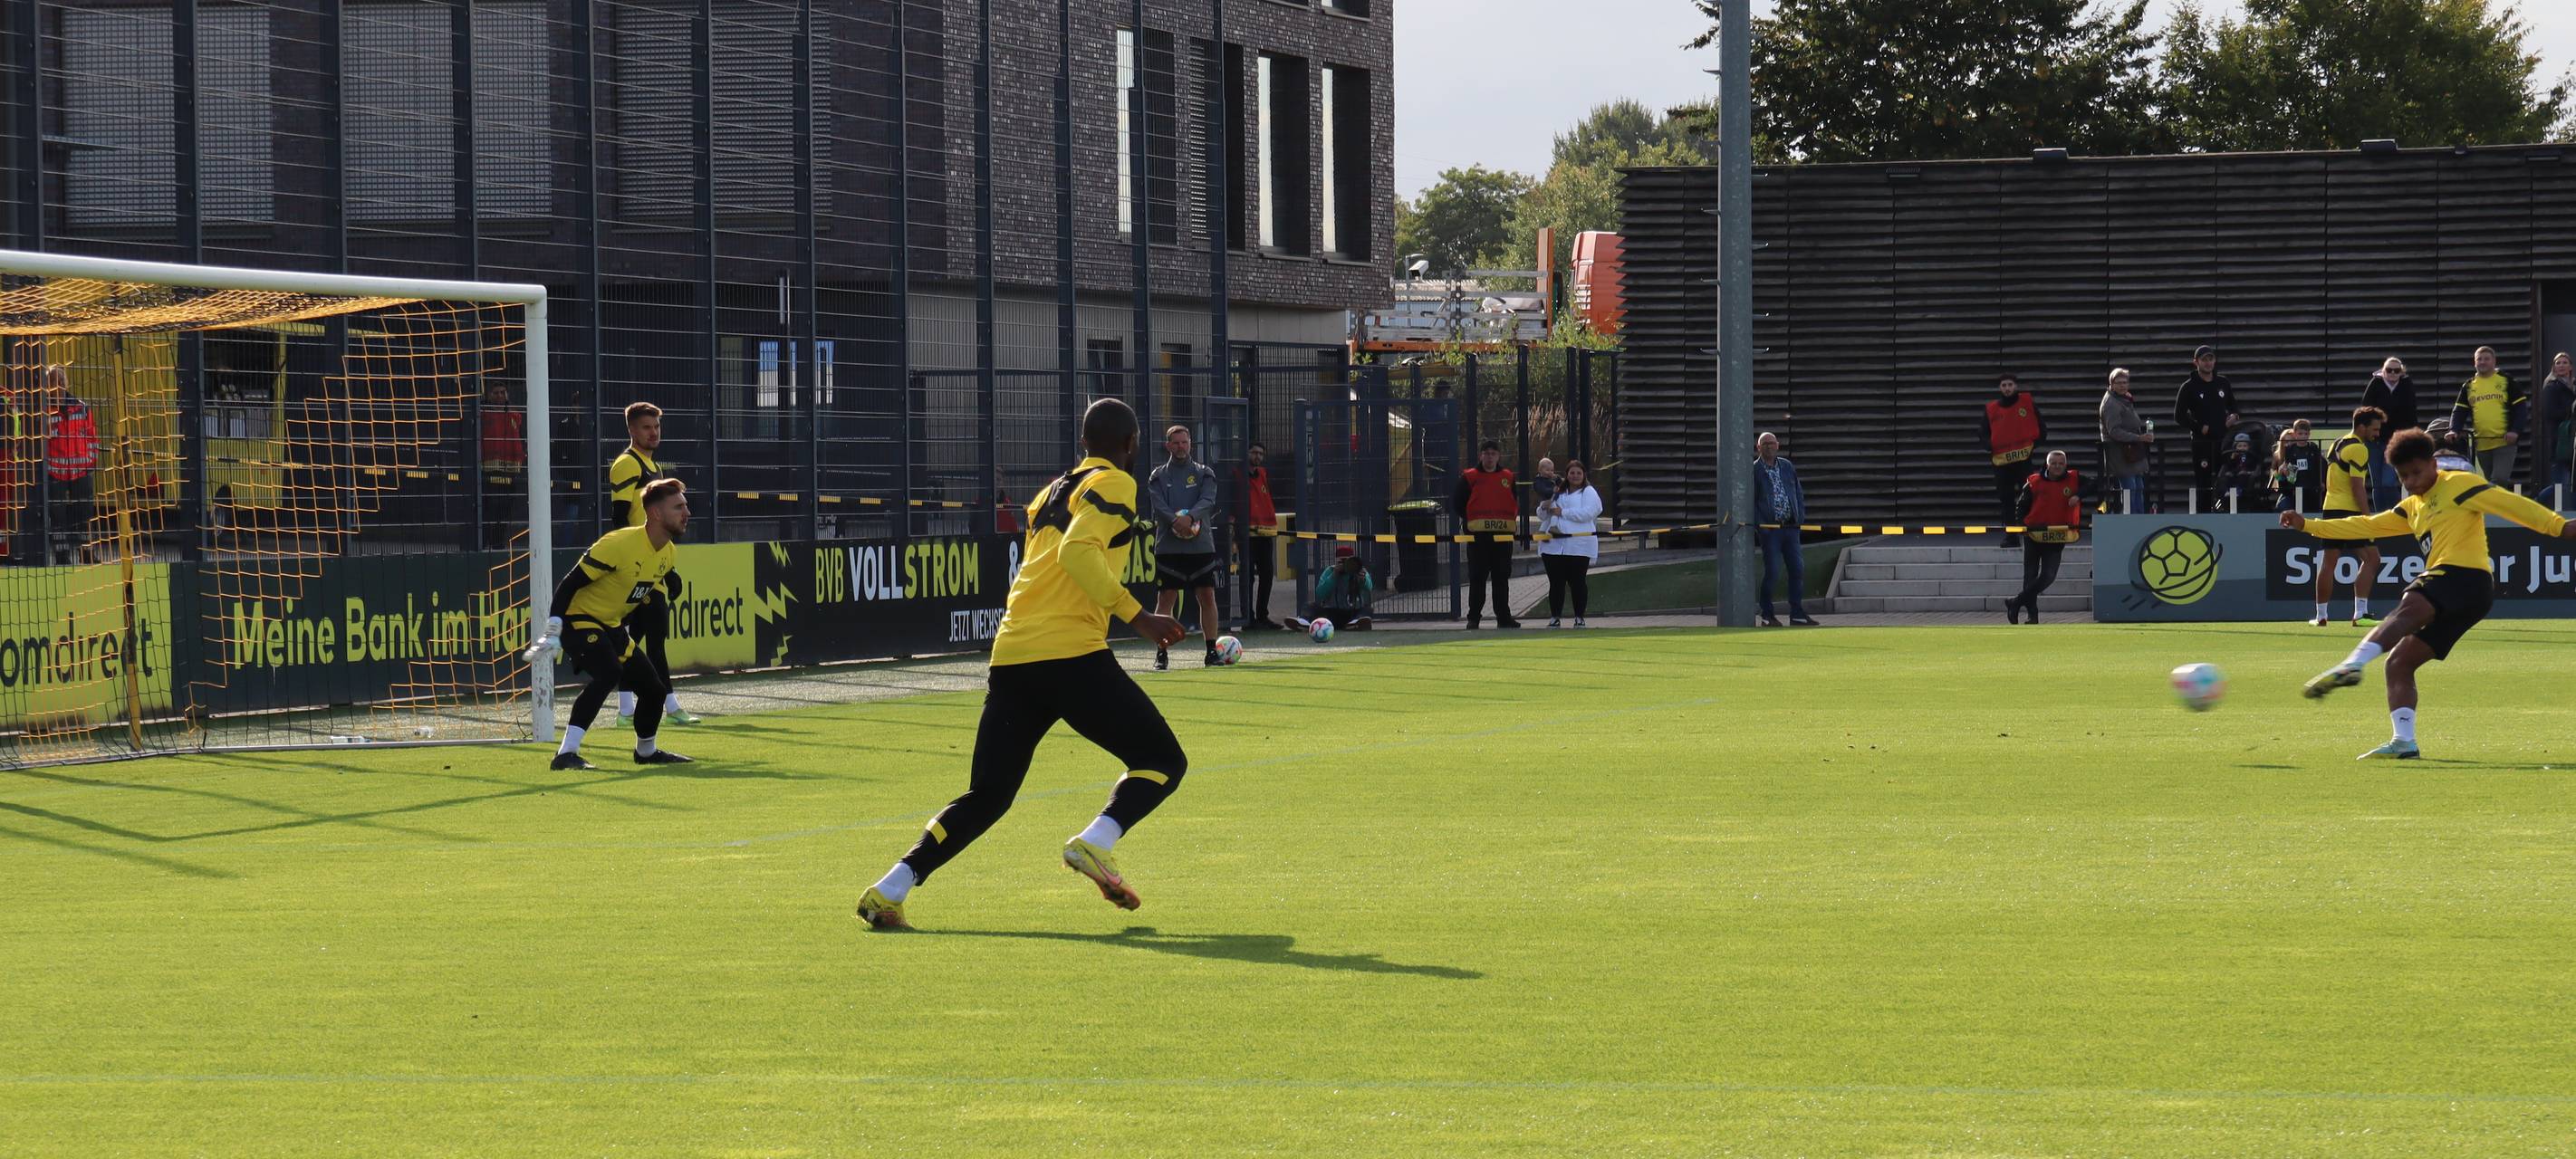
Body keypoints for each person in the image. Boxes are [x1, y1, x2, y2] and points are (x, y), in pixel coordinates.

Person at [855, 398, 1190, 932]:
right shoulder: (1117, 484)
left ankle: (890, 889)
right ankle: (1096, 843)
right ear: (1130, 446)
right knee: (1162, 762)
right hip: (1070, 653)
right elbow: (1076, 554)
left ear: (1084, 442)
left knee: (987, 795)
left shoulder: (1050, 491)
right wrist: (1137, 615)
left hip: (1013, 654)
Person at [2288, 427, 2576, 759]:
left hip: (2464, 576)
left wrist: (2559, 527)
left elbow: (2510, 504)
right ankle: (2404, 741)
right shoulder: (2412, 506)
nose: (2411, 480)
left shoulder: (2459, 485)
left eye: (2416, 472)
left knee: (2408, 606)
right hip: (2467, 597)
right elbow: (2365, 526)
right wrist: (2308, 526)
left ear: (2433, 464)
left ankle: (2352, 664)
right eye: (2403, 475)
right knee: (2398, 663)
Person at [525, 477, 697, 771]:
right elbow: (568, 585)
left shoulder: (668, 554)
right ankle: (566, 754)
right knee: (609, 672)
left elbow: (631, 595)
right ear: (656, 514)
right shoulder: (618, 544)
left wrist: (671, 579)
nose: (687, 512)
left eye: (686, 505)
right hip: (578, 619)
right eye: (679, 506)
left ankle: (646, 752)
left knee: (654, 689)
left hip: (610, 626)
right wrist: (554, 630)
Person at [607, 402, 698, 727]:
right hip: (635, 565)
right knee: (649, 636)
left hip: (652, 563)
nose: (653, 432)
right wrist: (623, 562)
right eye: (647, 427)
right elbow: (619, 518)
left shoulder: (653, 468)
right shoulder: (626, 465)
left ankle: (627, 709)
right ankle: (664, 706)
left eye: (657, 427)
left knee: (641, 638)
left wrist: (667, 567)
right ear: (632, 430)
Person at [1145, 425, 1223, 669]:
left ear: (1191, 444)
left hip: (1200, 546)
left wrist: (1190, 519)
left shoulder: (1204, 473)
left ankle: (1211, 652)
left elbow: (1208, 500)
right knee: (1166, 598)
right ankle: (1162, 653)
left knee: (1207, 596)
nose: (1181, 447)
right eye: (1176, 443)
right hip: (1169, 547)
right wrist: (1176, 522)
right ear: (1168, 445)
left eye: (1185, 442)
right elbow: (1158, 506)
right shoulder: (1158, 476)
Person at [2313, 407, 2385, 627]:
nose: (2377, 434)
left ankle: (2321, 616)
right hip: (2351, 511)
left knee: (2328, 563)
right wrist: (2367, 517)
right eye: (2374, 429)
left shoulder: (2337, 443)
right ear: (2361, 427)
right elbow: (2357, 487)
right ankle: (2360, 613)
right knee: (2372, 559)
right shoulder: (2360, 449)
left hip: (2331, 508)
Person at [2005, 450, 2087, 624]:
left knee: (2048, 576)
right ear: (2047, 464)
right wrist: (2022, 527)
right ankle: (2032, 616)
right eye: (2054, 463)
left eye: (2061, 463)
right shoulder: (2034, 482)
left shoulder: (2074, 478)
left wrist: (2078, 495)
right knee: (2030, 575)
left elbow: (2095, 484)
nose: (2057, 466)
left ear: (2066, 464)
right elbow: (2021, 506)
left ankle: (2016, 601)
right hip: (2034, 534)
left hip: (2056, 535)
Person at [1452, 440, 1520, 629]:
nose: (1490, 457)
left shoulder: (1508, 477)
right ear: (1481, 455)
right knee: (1477, 578)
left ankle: (1503, 618)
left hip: (1502, 536)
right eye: (1486, 453)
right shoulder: (1469, 477)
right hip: (1478, 537)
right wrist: (1470, 520)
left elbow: (1513, 501)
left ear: (1498, 456)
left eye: (1493, 453)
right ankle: (1473, 618)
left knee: (1501, 577)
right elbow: (1458, 502)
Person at [1753, 432, 1817, 627]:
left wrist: (1799, 518)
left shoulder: (1786, 466)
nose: (1769, 447)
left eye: (1772, 443)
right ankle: (1767, 614)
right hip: (1770, 530)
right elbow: (1752, 501)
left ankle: (1797, 613)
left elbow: (1797, 492)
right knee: (1773, 572)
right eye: (1765, 444)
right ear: (1758, 448)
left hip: (1791, 527)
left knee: (1797, 569)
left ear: (1778, 445)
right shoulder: (1754, 470)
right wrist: (1761, 526)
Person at [41, 367, 101, 565]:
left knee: (84, 515)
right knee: (57, 518)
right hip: (55, 471)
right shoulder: (43, 410)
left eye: (59, 382)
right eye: (51, 382)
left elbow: (92, 437)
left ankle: (86, 552)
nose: (56, 386)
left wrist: (91, 461)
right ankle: (62, 556)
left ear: (65, 384)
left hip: (80, 471)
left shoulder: (81, 407)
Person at [1980, 373, 2045, 546]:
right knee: (2006, 500)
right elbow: (1983, 434)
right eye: (2004, 385)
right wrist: (1991, 446)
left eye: (2010, 385)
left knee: (2030, 498)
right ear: (1999, 388)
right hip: (2001, 464)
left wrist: (2033, 446)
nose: (2007, 388)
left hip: (2023, 461)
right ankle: (2011, 536)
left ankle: (2031, 535)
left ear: (2015, 386)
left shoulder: (2027, 404)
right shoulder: (1992, 410)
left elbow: (2041, 427)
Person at [2447, 345, 2526, 484]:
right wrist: (2454, 429)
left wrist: (2515, 431)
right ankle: (2498, 506)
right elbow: (2459, 411)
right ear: (2475, 362)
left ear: (2494, 361)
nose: (2483, 362)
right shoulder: (2469, 386)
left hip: (2505, 442)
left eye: (2486, 359)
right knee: (2490, 483)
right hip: (2482, 444)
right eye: (2479, 359)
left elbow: (2521, 409)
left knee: (2499, 479)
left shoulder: (2507, 381)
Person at [2173, 345, 2238, 511]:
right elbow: (2179, 416)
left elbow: (2234, 407)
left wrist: (2234, 416)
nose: (2208, 363)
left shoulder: (2223, 382)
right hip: (2202, 443)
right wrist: (2199, 427)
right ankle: (2203, 517)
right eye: (2204, 360)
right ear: (2196, 362)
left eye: (2211, 359)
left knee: (2225, 478)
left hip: (2223, 440)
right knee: (2204, 482)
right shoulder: (2188, 386)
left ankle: (2226, 513)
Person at [1538, 459, 1601, 627]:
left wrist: (1563, 512)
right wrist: (1544, 507)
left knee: (1577, 582)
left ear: (1584, 475)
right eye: (1571, 473)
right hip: (1553, 547)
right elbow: (1543, 514)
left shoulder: (1588, 492)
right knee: (1556, 583)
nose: (1575, 476)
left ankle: (1579, 617)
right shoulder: (1558, 491)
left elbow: (1588, 513)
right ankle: (1555, 617)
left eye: (1578, 473)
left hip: (1579, 546)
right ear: (1566, 474)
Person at [2360, 357, 2418, 509]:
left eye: (2396, 370)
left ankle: (2396, 513)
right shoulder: (2375, 384)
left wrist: (2409, 437)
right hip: (2374, 440)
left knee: (2388, 481)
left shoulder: (2406, 385)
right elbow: (2365, 409)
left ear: (2401, 372)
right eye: (2389, 370)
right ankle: (2381, 517)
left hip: (2394, 442)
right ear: (2383, 371)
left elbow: (2411, 413)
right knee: (2377, 484)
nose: (2392, 373)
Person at [2097, 367, 2152, 513]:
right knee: (2129, 488)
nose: (2122, 385)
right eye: (2118, 382)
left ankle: (2140, 518)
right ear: (2111, 384)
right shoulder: (2110, 403)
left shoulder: (2124, 399)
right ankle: (2130, 520)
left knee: (2139, 486)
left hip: (2132, 452)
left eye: (2125, 382)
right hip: (2120, 453)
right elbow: (2114, 431)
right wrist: (2138, 438)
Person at [479, 379, 526, 550]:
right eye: (496, 392)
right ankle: (483, 541)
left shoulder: (514, 414)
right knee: (488, 506)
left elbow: (520, 437)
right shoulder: (483, 413)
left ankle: (498, 541)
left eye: (502, 392)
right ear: (489, 395)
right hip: (489, 468)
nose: (500, 396)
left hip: (510, 469)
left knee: (505, 508)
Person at [1239, 441, 1280, 629]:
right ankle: (1248, 617)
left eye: (1261, 454)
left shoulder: (1263, 474)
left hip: (1264, 530)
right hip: (1247, 532)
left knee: (1267, 573)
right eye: (1254, 453)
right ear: (1247, 454)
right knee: (1247, 575)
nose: (1257, 457)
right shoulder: (1238, 474)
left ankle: (1262, 615)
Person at [1293, 547, 1375, 632]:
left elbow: (1369, 588)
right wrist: (1334, 575)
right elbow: (1320, 593)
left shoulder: (1360, 571)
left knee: (1368, 610)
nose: (1345, 565)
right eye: (1342, 562)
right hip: (1332, 613)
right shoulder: (1330, 571)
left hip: (1353, 612)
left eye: (1348, 562)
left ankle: (1356, 623)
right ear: (1336, 562)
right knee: (1310, 606)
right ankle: (1304, 621)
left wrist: (1362, 580)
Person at [2535, 352, 2575, 504]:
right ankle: (2534, 503)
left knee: (2571, 482)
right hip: (2559, 440)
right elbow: (2549, 413)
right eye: (2558, 363)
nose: (2561, 366)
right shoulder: (2551, 387)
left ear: (2570, 367)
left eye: (2564, 362)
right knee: (2559, 483)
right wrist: (2571, 411)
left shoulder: (2572, 386)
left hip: (2572, 439)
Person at [2271, 419, 2324, 514]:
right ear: (2295, 434)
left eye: (2306, 434)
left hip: (2311, 489)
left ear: (2309, 434)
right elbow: (2277, 477)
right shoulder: (2287, 452)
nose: (2303, 436)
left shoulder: (2313, 448)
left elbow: (2320, 466)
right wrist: (2283, 474)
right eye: (2300, 434)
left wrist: (2322, 481)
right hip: (2292, 491)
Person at [2216, 432, 2267, 511]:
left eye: (2244, 446)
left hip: (2247, 473)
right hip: (2234, 473)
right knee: (2227, 476)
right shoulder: (2234, 456)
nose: (2242, 448)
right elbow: (2229, 466)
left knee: (2242, 475)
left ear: (2248, 447)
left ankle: (2238, 491)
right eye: (2239, 446)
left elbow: (2254, 465)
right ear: (2235, 447)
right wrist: (2232, 459)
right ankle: (2226, 491)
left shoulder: (2251, 456)